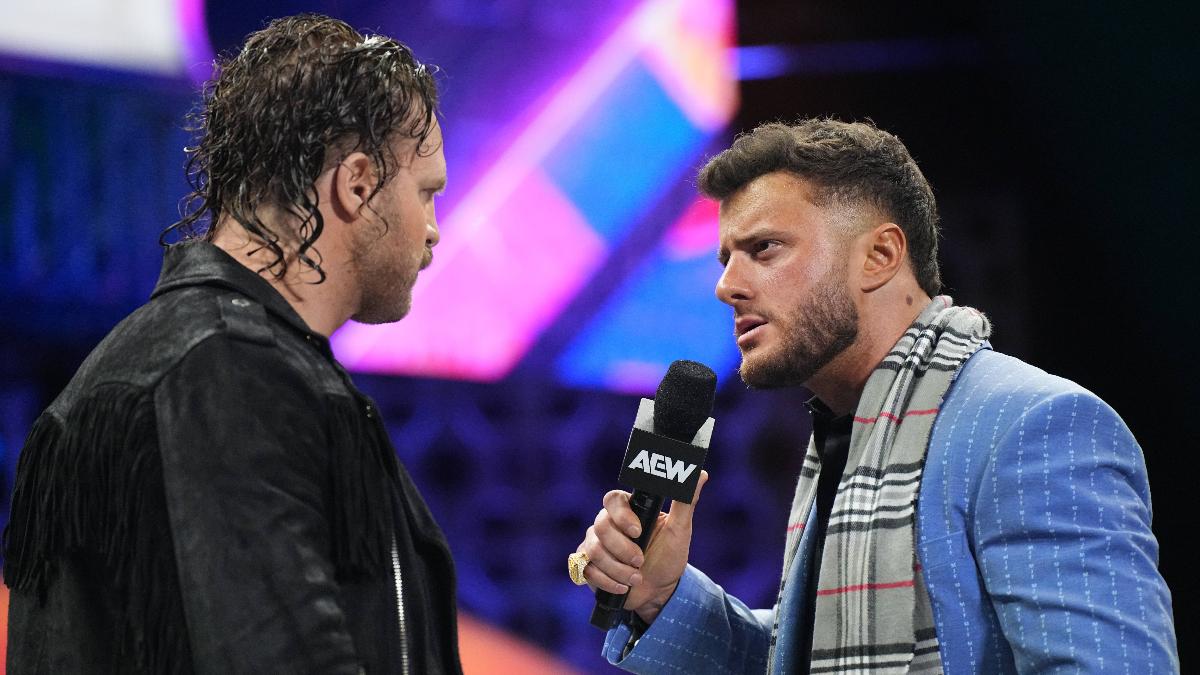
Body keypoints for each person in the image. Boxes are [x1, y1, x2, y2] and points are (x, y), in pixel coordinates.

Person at [573, 118, 1178, 673]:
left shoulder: (1033, 427)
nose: (727, 285)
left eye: (764, 249)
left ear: (881, 256)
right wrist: (660, 597)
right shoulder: (853, 431)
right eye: (726, 258)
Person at [3, 14, 462, 674]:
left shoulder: (203, 361)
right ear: (356, 184)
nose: (434, 229)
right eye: (427, 193)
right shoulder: (227, 374)